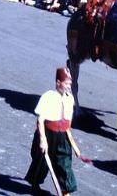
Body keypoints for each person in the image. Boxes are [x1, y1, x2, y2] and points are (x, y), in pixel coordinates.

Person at [25, 67, 83, 196]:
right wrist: (43, 140)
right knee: (41, 162)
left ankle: (65, 192)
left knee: (64, 164)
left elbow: (67, 121)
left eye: (70, 83)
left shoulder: (70, 98)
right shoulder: (48, 97)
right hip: (47, 133)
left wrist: (72, 143)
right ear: (58, 83)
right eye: (67, 83)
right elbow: (40, 120)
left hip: (62, 136)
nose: (69, 86)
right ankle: (35, 183)